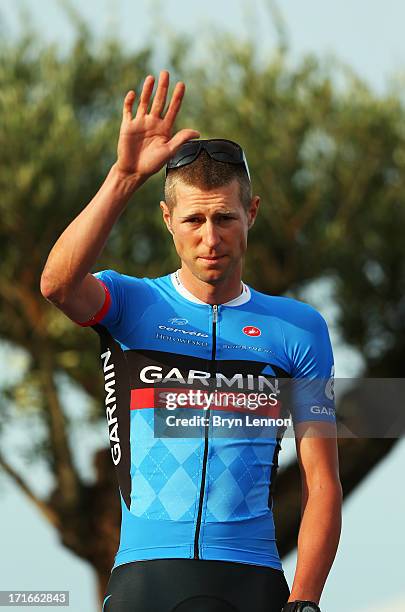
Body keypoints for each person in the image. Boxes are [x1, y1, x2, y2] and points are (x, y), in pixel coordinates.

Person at [40, 70, 342, 612]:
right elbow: (57, 284)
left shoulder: (298, 328)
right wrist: (125, 176)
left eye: (225, 217)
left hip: (252, 579)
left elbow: (321, 480)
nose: (210, 238)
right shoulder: (130, 305)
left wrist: (306, 600)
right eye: (194, 219)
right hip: (146, 580)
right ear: (168, 220)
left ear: (250, 214)